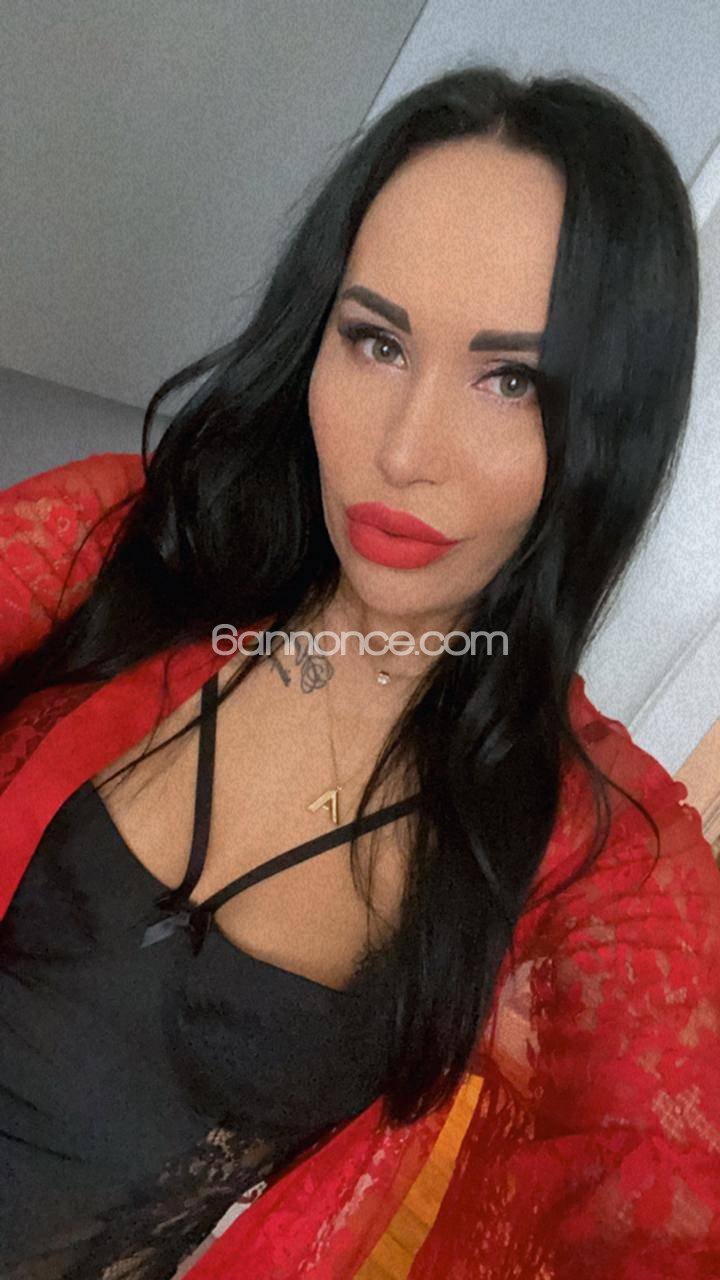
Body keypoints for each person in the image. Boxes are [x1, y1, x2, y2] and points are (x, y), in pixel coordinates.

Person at [1, 62, 719, 1280]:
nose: (403, 450)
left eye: (510, 379)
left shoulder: (592, 848)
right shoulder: (124, 546)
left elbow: (662, 1201)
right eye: (376, 341)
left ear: (608, 426)